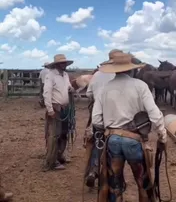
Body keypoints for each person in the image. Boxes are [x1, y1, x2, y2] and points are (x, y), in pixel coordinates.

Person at [91, 52, 167, 202]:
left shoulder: (105, 88)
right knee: (143, 183)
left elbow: (96, 119)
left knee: (114, 184)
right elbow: (155, 114)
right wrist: (162, 135)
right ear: (132, 69)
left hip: (112, 140)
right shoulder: (140, 86)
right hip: (134, 140)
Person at [84, 49, 123, 187]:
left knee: (97, 141)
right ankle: (114, 173)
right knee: (116, 142)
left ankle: (93, 170)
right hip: (115, 114)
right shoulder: (120, 75)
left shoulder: (97, 74)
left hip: (97, 112)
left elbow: (88, 94)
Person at [43, 54, 74, 171]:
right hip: (56, 108)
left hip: (65, 108)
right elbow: (47, 93)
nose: (64, 64)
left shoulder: (65, 75)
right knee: (54, 135)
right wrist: (50, 109)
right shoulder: (50, 75)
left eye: (65, 63)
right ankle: (52, 160)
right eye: (62, 63)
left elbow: (68, 86)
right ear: (56, 64)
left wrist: (70, 88)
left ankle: (60, 155)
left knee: (64, 133)